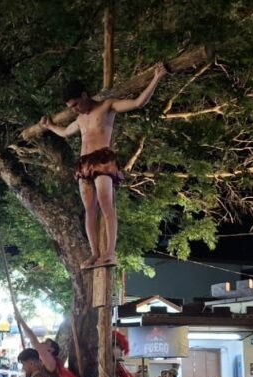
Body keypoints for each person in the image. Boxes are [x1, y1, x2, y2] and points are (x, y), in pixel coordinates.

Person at [39, 63, 167, 268]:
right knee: (89, 209)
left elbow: (137, 103)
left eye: (75, 104)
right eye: (70, 107)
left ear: (84, 95)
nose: (74, 109)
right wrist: (49, 126)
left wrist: (156, 78)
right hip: (84, 164)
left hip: (103, 160)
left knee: (105, 202)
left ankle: (109, 252)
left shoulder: (107, 106)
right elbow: (64, 133)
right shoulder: (80, 119)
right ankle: (94, 253)